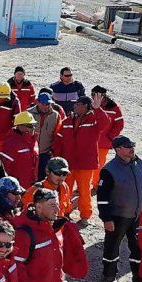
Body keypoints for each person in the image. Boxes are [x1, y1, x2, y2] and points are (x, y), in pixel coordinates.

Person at [96, 136, 142, 282]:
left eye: (132, 144)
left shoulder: (141, 164)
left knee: (139, 246)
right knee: (112, 246)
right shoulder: (109, 170)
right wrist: (106, 219)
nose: (132, 148)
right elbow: (102, 199)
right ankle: (109, 275)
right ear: (118, 149)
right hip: (117, 217)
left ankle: (138, 275)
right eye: (127, 146)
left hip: (138, 215)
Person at [53, 94, 110, 227]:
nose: (74, 106)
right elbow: (59, 139)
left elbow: (105, 123)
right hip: (67, 163)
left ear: (85, 107)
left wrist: (98, 109)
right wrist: (56, 157)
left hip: (85, 164)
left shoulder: (94, 120)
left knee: (84, 191)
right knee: (65, 189)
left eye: (77, 104)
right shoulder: (67, 121)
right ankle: (64, 213)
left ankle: (85, 215)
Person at [91, 85, 125, 191]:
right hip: (90, 140)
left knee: (99, 164)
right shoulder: (89, 105)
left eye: (96, 95)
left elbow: (119, 125)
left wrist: (109, 137)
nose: (94, 97)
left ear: (103, 96)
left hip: (103, 142)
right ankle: (85, 183)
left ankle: (96, 184)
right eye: (92, 95)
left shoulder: (114, 108)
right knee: (87, 163)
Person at [27, 92, 63, 180]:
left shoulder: (56, 115)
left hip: (45, 153)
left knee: (42, 178)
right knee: (29, 176)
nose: (45, 106)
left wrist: (52, 150)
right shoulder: (28, 113)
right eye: (43, 104)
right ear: (37, 102)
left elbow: (58, 134)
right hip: (30, 152)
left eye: (47, 104)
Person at [0, 112, 39, 188]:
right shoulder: (11, 143)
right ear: (20, 126)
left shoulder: (34, 141)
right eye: (30, 125)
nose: (33, 128)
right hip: (15, 188)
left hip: (30, 185)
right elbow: (2, 167)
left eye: (34, 125)